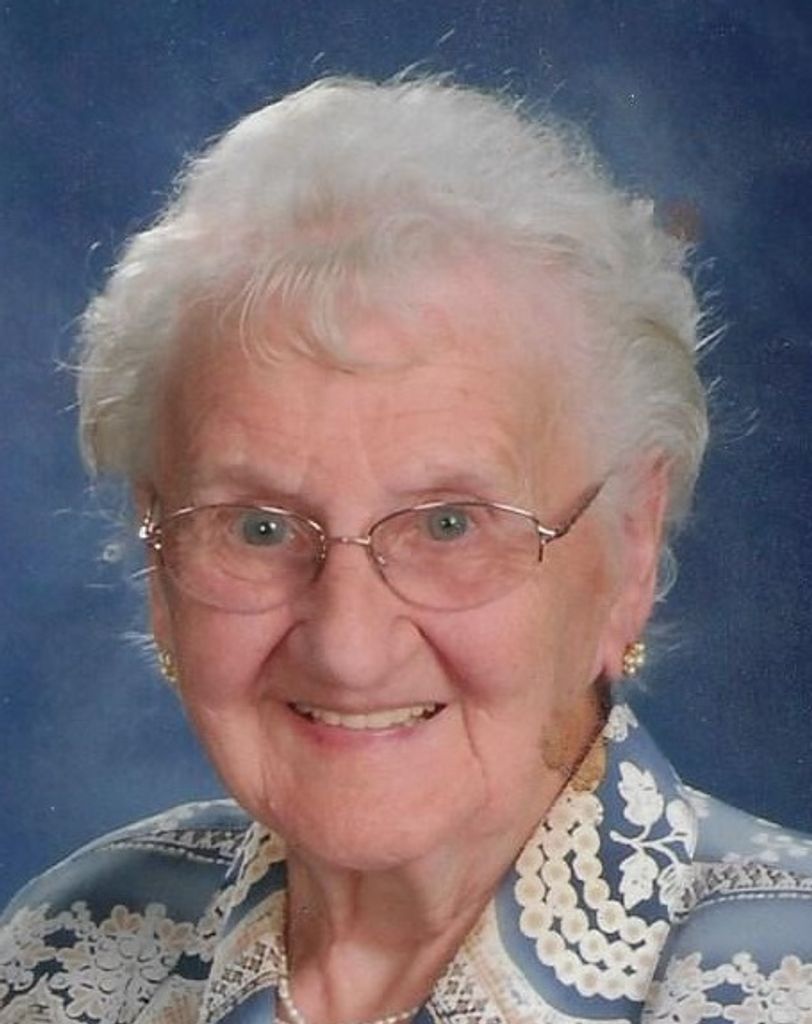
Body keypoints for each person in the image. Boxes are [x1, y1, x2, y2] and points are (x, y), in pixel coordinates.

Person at [2, 75, 811, 1024]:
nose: (349, 647)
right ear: (158, 561)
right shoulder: (67, 950)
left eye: (449, 524)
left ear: (629, 548)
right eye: (258, 528)